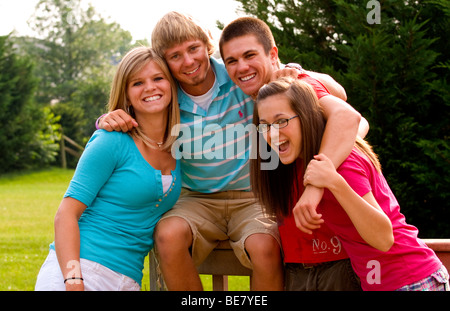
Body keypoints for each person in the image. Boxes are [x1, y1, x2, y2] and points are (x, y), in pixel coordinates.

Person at [253, 77, 449, 291]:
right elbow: (361, 124)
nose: (272, 133)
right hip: (382, 283)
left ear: (307, 117)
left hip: (411, 281)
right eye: (264, 126)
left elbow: (384, 237)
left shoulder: (342, 165)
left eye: (281, 121)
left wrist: (335, 183)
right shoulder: (320, 157)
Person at [219, 17, 366, 290]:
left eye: (250, 55)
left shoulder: (296, 85)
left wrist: (314, 185)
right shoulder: (269, 96)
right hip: (300, 260)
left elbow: (349, 118)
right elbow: (341, 94)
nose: (242, 67)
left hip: (337, 260)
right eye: (232, 61)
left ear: (272, 54)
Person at [34, 47, 182, 291]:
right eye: (137, 83)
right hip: (81, 269)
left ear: (171, 84)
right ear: (126, 93)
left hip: (128, 279)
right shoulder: (110, 141)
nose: (150, 88)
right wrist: (73, 280)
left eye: (158, 78)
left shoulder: (181, 146)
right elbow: (65, 215)